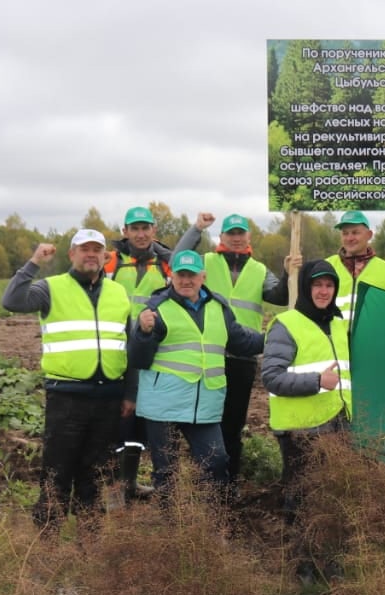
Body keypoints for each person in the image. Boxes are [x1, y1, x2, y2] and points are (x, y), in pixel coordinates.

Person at [1, 229, 132, 526]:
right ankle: (47, 544)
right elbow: (12, 300)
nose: (90, 255)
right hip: (67, 399)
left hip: (109, 398)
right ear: (71, 255)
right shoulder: (50, 287)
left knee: (96, 475)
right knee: (57, 472)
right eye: (83, 249)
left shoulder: (118, 292)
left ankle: (89, 541)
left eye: (96, 250)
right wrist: (33, 262)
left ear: (105, 256)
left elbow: (130, 343)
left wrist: (130, 394)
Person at [128, 250, 265, 496]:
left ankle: (212, 525)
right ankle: (174, 526)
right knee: (166, 471)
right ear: (172, 276)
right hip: (163, 406)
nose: (186, 280)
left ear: (203, 276)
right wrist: (143, 333)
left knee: (216, 462)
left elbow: (241, 341)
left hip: (204, 406)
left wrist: (276, 338)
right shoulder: (157, 308)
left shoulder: (219, 308)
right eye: (181, 275)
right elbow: (139, 358)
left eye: (192, 275)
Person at [104, 206, 202, 500]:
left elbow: (186, 260)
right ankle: (113, 489)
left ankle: (131, 484)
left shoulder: (164, 263)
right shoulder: (111, 263)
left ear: (154, 230)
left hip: (150, 350)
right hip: (114, 352)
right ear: (125, 232)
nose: (141, 233)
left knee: (140, 420)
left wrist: (196, 228)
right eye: (135, 228)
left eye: (146, 227)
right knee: (115, 421)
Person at [188, 212, 289, 486]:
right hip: (208, 356)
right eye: (230, 233)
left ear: (248, 238)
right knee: (203, 421)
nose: (235, 238)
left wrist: (289, 273)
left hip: (243, 358)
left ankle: (229, 484)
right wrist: (197, 229)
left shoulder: (259, 270)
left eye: (240, 233)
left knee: (233, 425)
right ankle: (202, 480)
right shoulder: (206, 262)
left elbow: (279, 296)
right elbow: (179, 258)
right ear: (221, 237)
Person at [260, 259, 351, 518]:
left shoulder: (337, 323)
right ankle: (298, 556)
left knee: (327, 498)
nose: (324, 291)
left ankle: (321, 554)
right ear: (305, 288)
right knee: (301, 499)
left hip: (334, 424)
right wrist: (317, 381)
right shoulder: (286, 324)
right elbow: (271, 377)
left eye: (329, 285)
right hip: (300, 431)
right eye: (317, 285)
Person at [325, 209, 385, 328]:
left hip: (369, 342)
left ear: (369, 235)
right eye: (345, 233)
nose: (349, 238)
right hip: (334, 342)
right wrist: (288, 273)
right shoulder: (326, 266)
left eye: (355, 232)